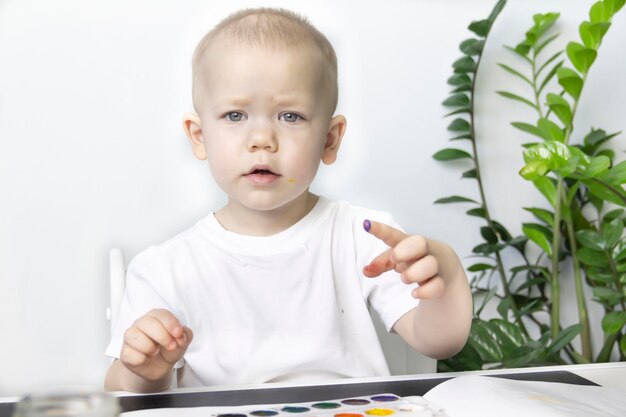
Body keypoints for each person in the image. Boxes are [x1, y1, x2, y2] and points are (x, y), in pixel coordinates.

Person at [104, 7, 472, 393]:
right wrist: (145, 370)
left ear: (330, 140)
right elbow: (121, 392)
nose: (262, 138)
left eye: (291, 117)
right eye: (234, 115)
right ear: (199, 136)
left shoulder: (362, 238)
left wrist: (445, 278)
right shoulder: (165, 269)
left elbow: (439, 342)